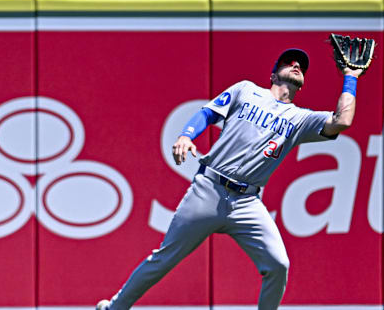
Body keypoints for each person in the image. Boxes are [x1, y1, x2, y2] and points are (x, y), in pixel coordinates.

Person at [97, 48, 364, 310]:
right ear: (272, 75)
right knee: (164, 259)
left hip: (247, 202)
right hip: (209, 189)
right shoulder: (247, 90)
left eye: (301, 66)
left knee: (278, 265)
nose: (296, 65)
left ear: (303, 82)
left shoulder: (300, 118)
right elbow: (208, 113)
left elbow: (342, 121)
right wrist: (186, 136)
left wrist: (350, 76)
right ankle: (115, 308)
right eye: (288, 62)